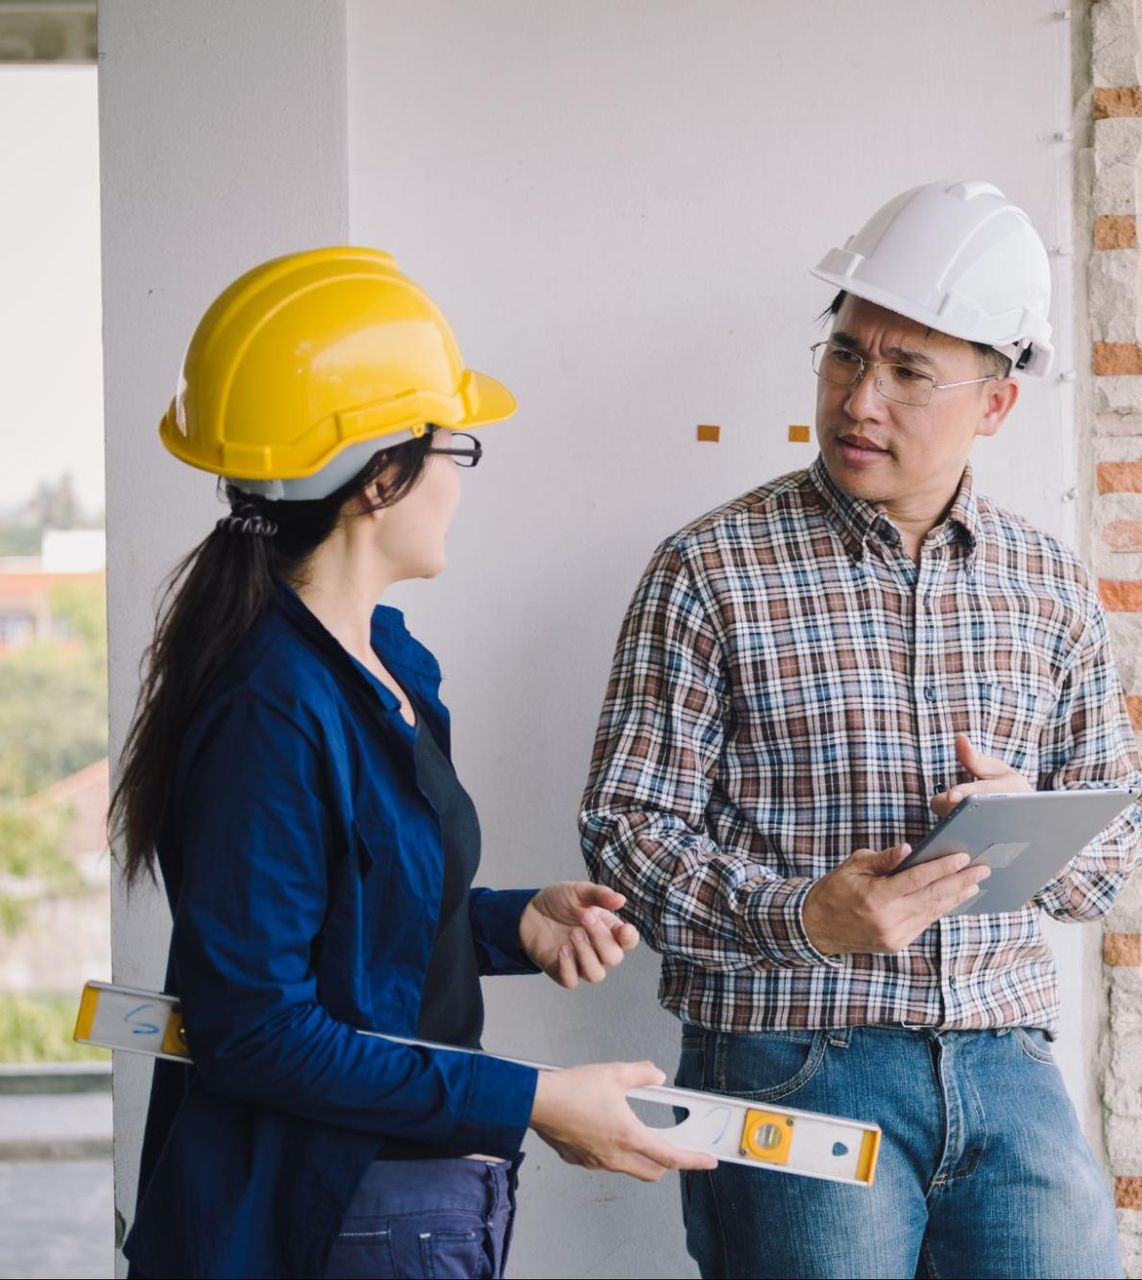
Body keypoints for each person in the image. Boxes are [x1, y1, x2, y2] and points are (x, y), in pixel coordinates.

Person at [579, 181, 1142, 1278]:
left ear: (994, 406)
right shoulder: (710, 570)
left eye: (907, 372)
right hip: (796, 1062)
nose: (860, 398)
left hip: (1007, 1067)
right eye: (846, 354)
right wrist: (805, 915)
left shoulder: (1049, 584)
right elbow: (624, 832)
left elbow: (1117, 849)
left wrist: (1030, 824)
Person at [113, 247, 714, 1280]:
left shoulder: (388, 660)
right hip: (336, 1212)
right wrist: (531, 1096)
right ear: (379, 477)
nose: (458, 480)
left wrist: (508, 921)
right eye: (453, 449)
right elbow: (256, 1030)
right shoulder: (272, 705)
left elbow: (352, 930)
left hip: (421, 1201)